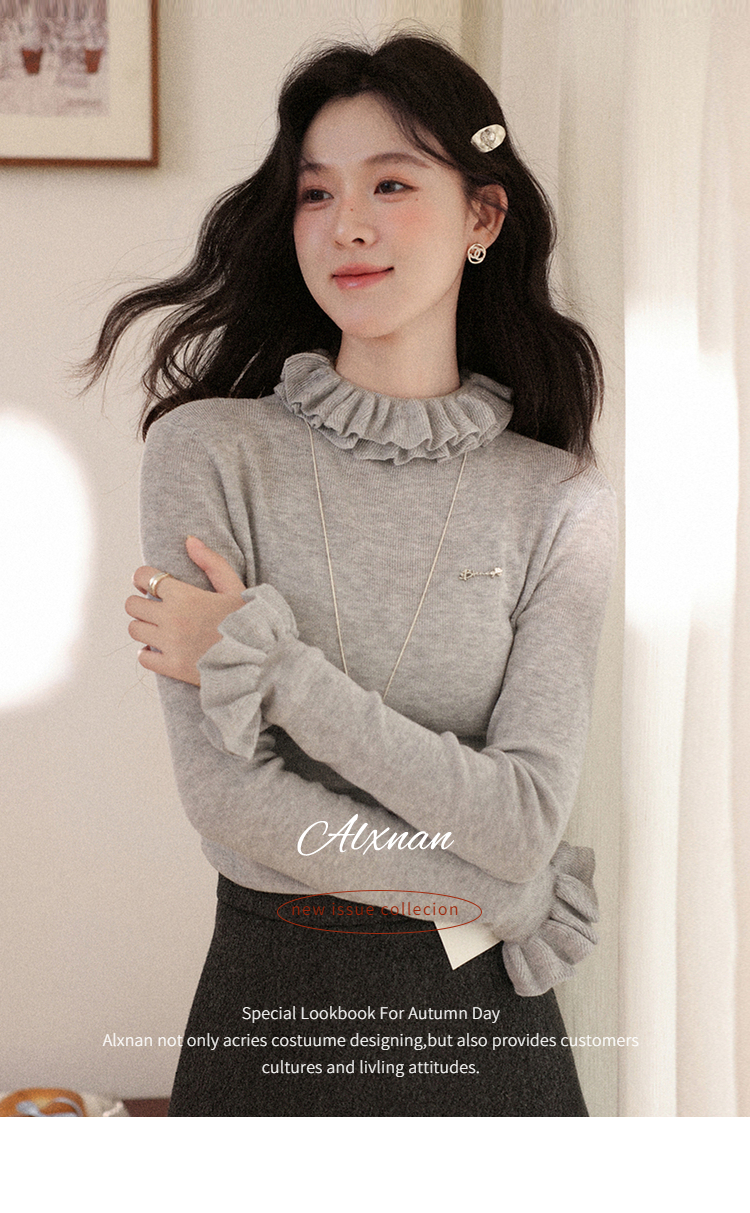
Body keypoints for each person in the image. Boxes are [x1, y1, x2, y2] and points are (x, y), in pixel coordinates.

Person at [88, 33, 616, 1116]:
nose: (349, 225)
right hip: (272, 1000)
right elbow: (229, 798)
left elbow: (522, 817)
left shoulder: (559, 499)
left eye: (393, 184)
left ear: (483, 216)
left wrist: (277, 672)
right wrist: (501, 896)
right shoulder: (209, 452)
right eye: (316, 193)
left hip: (486, 1034)